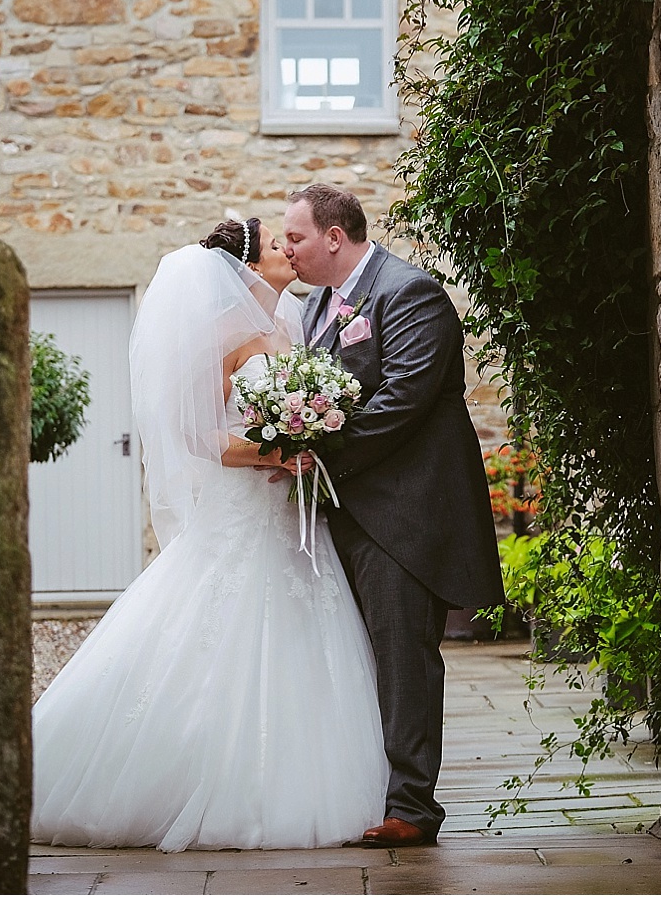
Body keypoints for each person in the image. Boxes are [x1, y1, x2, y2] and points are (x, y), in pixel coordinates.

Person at [30, 218, 388, 852]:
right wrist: (273, 454)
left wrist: (310, 438)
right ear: (246, 268)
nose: (289, 250)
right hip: (243, 511)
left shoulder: (291, 326)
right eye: (278, 245)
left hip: (293, 517)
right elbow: (195, 435)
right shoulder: (222, 333)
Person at [282, 184, 506, 847]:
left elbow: (405, 396)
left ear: (333, 236)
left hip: (405, 516)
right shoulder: (320, 303)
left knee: (404, 660)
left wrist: (318, 452)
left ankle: (413, 809)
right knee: (358, 660)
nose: (287, 248)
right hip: (347, 512)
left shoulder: (409, 293)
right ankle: (368, 791)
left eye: (295, 236)